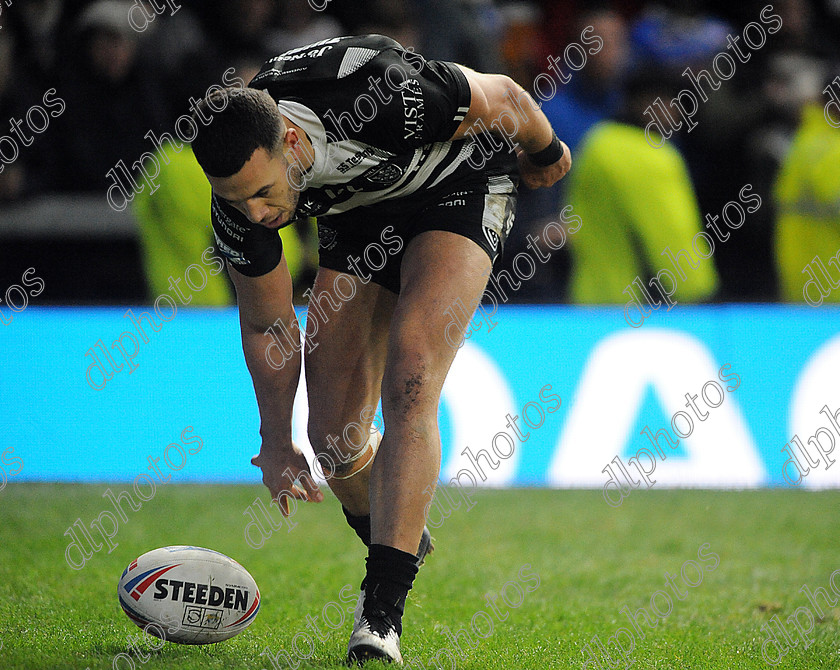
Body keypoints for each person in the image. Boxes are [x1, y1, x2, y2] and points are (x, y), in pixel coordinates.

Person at [189, 34, 570, 664]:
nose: (256, 214)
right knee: (336, 440)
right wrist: (278, 442)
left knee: (412, 375)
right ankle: (397, 539)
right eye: (237, 201)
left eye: (262, 193)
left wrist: (545, 150)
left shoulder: (384, 93)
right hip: (361, 215)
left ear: (289, 141)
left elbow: (506, 95)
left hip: (459, 184)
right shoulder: (237, 203)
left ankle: (381, 612)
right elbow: (268, 326)